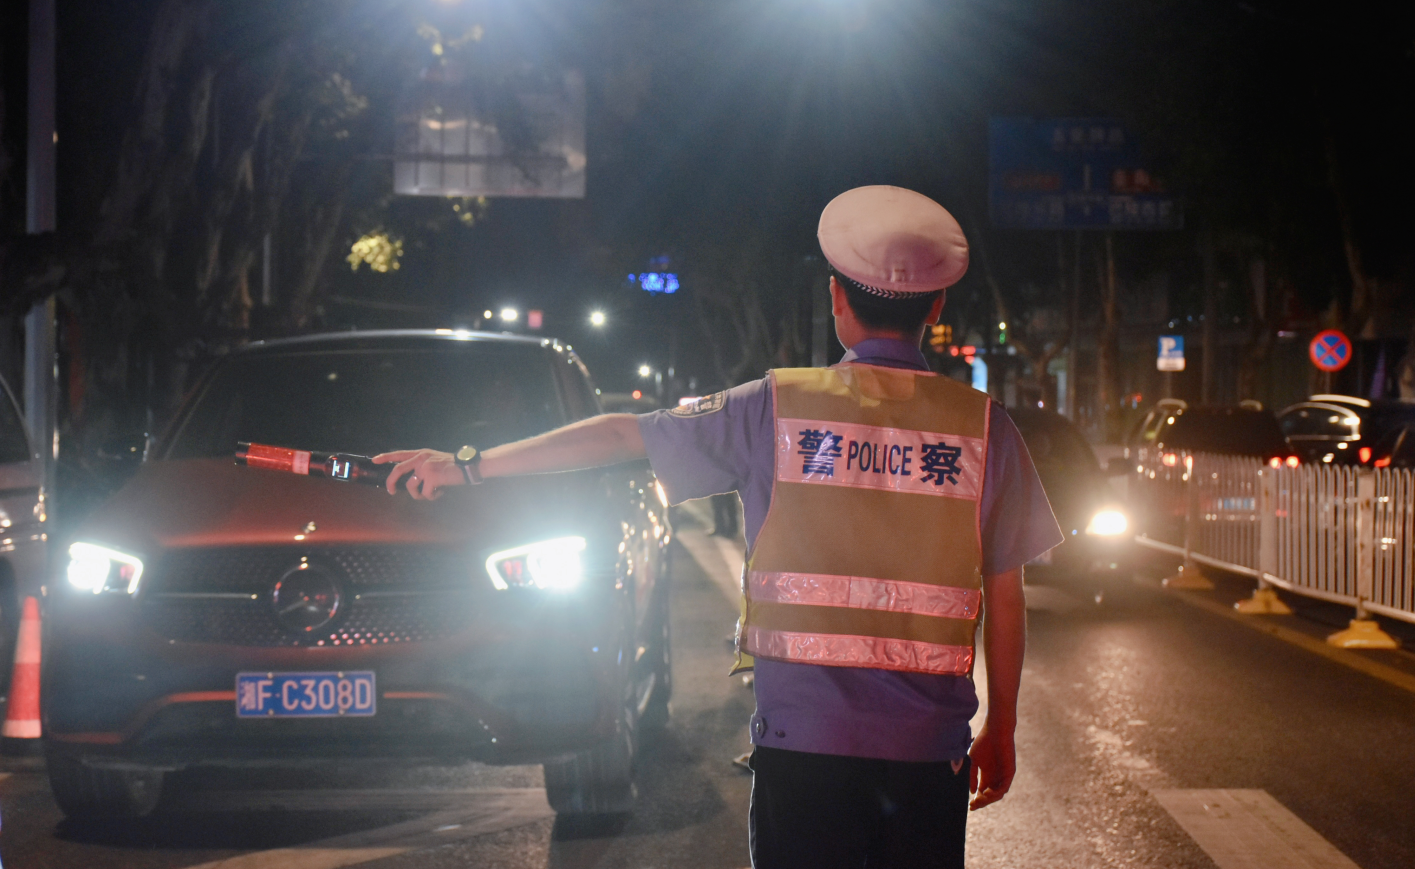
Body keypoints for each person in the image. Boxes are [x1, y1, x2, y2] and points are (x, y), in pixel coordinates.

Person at [375, 185, 1061, 869]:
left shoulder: (774, 409)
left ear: (836, 298)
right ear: (936, 306)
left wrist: (468, 466)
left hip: (802, 748)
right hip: (928, 755)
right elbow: (1006, 598)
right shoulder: (985, 430)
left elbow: (621, 434)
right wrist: (1000, 725)